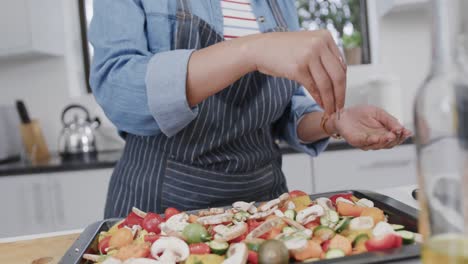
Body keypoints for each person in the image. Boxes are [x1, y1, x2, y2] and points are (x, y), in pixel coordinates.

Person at [89, 0, 411, 218]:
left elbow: (284, 108)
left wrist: (334, 121)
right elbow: (118, 88)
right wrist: (250, 51)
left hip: (264, 207)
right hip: (160, 206)